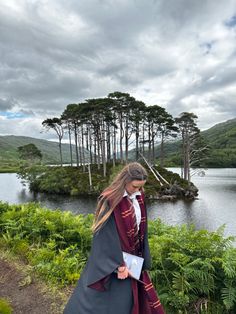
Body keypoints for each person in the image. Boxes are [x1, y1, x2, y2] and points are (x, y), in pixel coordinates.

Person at [63, 162, 165, 314]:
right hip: (113, 259)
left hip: (134, 258)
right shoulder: (110, 199)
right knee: (111, 301)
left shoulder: (139, 196)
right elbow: (103, 235)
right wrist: (119, 265)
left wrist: (140, 257)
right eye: (135, 186)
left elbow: (141, 229)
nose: (138, 190)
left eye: (141, 187)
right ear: (125, 180)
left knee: (135, 298)